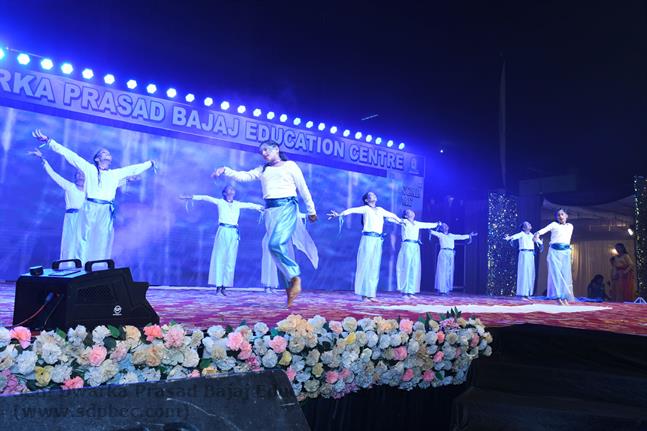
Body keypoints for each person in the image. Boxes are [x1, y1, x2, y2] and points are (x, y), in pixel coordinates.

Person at [213, 140, 317, 307]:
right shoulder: (263, 169)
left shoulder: (290, 166)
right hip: (270, 211)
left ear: (276, 149)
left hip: (287, 208)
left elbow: (303, 188)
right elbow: (244, 176)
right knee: (276, 250)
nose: (263, 153)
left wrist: (311, 210)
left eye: (266, 150)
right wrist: (226, 170)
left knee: (275, 244)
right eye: (261, 151)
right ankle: (289, 291)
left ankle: (295, 276)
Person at [32, 129, 156, 263]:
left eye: (109, 153)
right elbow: (70, 155)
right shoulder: (89, 169)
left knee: (102, 240)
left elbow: (132, 169)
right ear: (97, 158)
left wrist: (150, 164)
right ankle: (79, 266)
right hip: (90, 207)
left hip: (105, 210)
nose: (107, 154)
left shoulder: (114, 174)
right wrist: (49, 141)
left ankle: (98, 267)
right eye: (104, 153)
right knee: (83, 238)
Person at [180, 185, 263, 295]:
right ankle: (218, 285)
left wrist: (260, 207)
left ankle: (225, 286)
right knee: (220, 257)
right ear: (224, 193)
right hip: (223, 230)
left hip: (233, 232)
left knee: (231, 259)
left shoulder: (237, 204)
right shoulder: (220, 202)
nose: (232, 190)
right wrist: (192, 197)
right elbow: (206, 197)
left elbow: (250, 205)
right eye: (229, 189)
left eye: (233, 189)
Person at [327, 192, 403, 302]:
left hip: (378, 240)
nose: (374, 195)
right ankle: (363, 295)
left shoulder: (380, 210)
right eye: (371, 195)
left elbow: (392, 215)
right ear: (366, 200)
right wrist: (340, 214)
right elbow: (352, 210)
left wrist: (401, 221)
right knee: (365, 265)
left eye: (374, 194)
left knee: (374, 266)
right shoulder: (366, 209)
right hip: (368, 239)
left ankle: (371, 294)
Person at [28, 147, 85, 263]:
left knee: (83, 243)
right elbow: (53, 174)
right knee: (70, 243)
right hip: (72, 218)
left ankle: (83, 265)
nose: (80, 176)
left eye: (82, 174)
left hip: (85, 219)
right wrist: (42, 159)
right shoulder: (69, 186)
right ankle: (68, 265)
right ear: (75, 176)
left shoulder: (90, 192)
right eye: (78, 174)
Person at [262, 210, 318, 293]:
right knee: (269, 263)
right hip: (270, 239)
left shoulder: (287, 210)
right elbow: (269, 226)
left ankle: (275, 286)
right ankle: (268, 286)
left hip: (281, 239)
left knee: (282, 262)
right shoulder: (270, 210)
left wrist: (309, 216)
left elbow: (296, 215)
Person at [533, 208, 575, 305]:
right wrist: (537, 234)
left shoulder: (570, 226)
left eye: (562, 214)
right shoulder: (554, 224)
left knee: (565, 275)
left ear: (566, 216)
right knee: (556, 275)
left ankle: (564, 296)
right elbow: (543, 230)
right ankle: (558, 297)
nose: (560, 216)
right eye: (558, 215)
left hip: (565, 253)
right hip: (554, 253)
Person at [396, 209, 440, 298]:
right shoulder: (404, 222)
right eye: (409, 212)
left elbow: (426, 225)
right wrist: (387, 218)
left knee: (414, 267)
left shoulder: (417, 223)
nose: (412, 212)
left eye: (411, 211)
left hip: (415, 246)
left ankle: (411, 291)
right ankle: (404, 291)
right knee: (406, 267)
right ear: (406, 215)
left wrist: (436, 224)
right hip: (407, 244)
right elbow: (395, 219)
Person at [429, 224, 477, 294]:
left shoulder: (451, 235)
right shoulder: (440, 235)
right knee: (442, 270)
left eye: (446, 226)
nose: (445, 227)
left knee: (449, 271)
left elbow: (460, 237)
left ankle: (447, 288)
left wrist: (469, 235)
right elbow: (431, 231)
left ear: (448, 227)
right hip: (443, 252)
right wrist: (437, 225)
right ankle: (442, 289)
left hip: (450, 253)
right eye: (444, 226)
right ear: (441, 228)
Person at [504, 221, 540, 300]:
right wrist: (509, 238)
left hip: (531, 254)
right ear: (523, 228)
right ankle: (522, 294)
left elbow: (538, 241)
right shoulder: (522, 234)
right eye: (527, 224)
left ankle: (528, 293)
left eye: (529, 223)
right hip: (524, 254)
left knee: (530, 273)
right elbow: (515, 236)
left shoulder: (532, 235)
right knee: (524, 273)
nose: (530, 224)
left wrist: (540, 243)